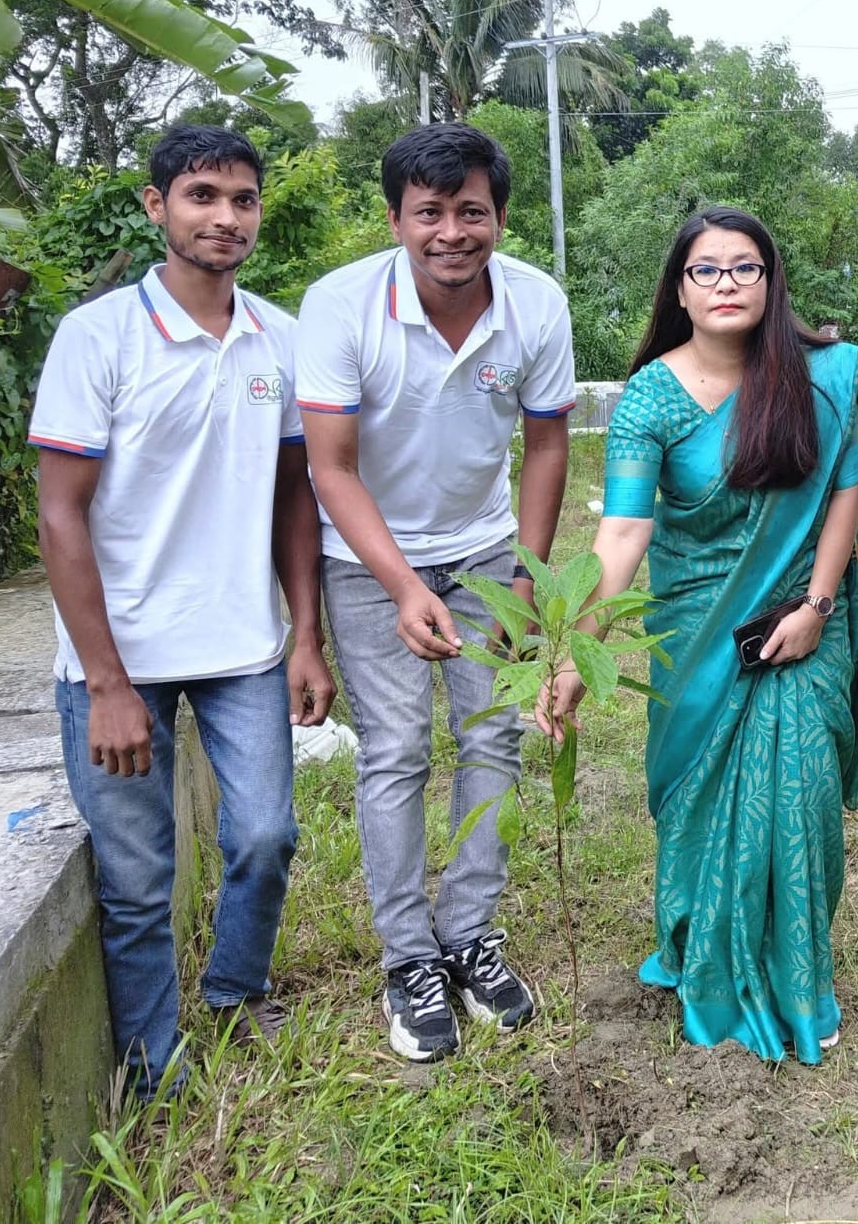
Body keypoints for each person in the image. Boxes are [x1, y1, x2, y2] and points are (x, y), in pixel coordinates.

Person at [30, 124, 333, 1099]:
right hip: (115, 659)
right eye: (202, 195)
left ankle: (235, 993)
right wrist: (109, 681)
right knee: (135, 879)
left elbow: (298, 495)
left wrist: (305, 637)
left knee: (264, 835)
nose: (226, 216)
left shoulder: (281, 338)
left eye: (242, 198)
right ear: (158, 206)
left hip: (241, 641)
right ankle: (155, 1068)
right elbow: (59, 511)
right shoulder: (98, 337)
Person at [538, 206, 858, 1064]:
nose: (726, 284)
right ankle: (710, 963)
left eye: (743, 268)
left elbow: (846, 490)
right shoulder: (651, 392)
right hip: (693, 636)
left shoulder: (825, 375)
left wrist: (819, 603)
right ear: (680, 290)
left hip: (803, 617)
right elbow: (621, 535)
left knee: (798, 797)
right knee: (697, 807)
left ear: (770, 281)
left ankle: (798, 983)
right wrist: (584, 650)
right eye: (706, 270)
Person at [296, 122, 574, 1063]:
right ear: (395, 218)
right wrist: (405, 584)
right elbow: (331, 469)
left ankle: (470, 933)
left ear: (497, 215)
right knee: (396, 752)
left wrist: (530, 578)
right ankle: (408, 958)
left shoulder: (536, 305)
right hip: (366, 557)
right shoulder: (340, 306)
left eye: (471, 211)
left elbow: (545, 445)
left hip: (488, 548)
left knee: (493, 735)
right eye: (429, 212)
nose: (450, 231)